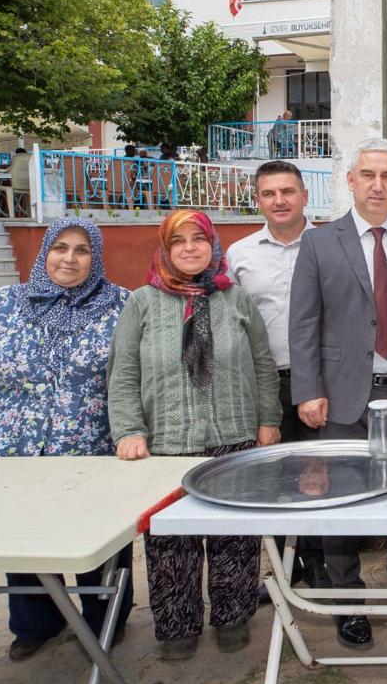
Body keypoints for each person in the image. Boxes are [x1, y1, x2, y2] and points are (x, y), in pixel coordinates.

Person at [0, 218, 133, 661]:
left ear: (96, 257)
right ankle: (36, 623)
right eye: (61, 248)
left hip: (92, 446)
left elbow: (134, 376)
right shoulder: (5, 303)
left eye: (82, 250)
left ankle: (103, 619)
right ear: (45, 251)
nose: (69, 259)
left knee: (99, 538)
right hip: (14, 448)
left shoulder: (120, 305)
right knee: (24, 536)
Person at [108, 210, 281, 659]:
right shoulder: (142, 302)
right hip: (167, 443)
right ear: (164, 249)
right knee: (170, 542)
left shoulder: (235, 299)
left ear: (213, 246)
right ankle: (178, 623)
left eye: (199, 239)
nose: (189, 248)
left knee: (234, 537)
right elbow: (123, 372)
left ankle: (232, 615)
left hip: (234, 434)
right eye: (178, 241)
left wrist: (268, 419)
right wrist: (128, 430)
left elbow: (263, 364)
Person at [289, 137, 387, 650]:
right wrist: (307, 390)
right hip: (342, 396)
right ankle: (346, 596)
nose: (378, 185)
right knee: (340, 499)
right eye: (368, 175)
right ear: (350, 181)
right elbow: (303, 322)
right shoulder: (319, 243)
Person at [230, 160, 322, 594]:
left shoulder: (330, 245)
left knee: (321, 477)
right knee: (278, 481)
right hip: (267, 383)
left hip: (320, 382)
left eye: (288, 191)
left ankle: (325, 568)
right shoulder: (240, 255)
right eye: (269, 194)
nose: (279, 201)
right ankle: (292, 565)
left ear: (306, 195)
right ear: (258, 201)